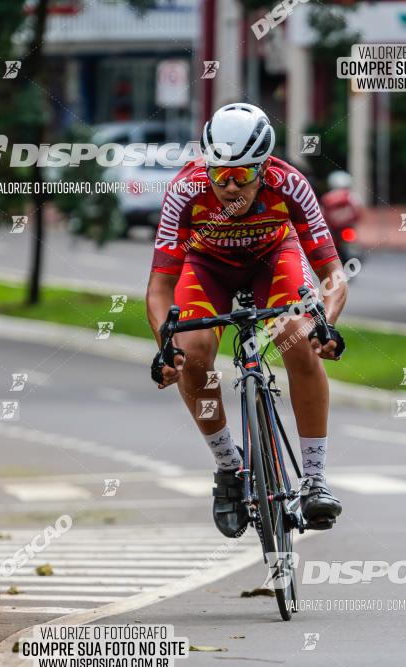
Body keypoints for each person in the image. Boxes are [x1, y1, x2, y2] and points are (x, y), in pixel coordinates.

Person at [146, 102, 347, 538]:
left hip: (274, 261)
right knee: (193, 354)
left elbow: (333, 275)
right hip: (207, 267)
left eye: (242, 175)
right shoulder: (185, 190)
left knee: (298, 337)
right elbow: (160, 288)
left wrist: (326, 325)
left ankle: (314, 479)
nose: (230, 186)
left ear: (264, 167)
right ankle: (229, 468)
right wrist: (165, 348)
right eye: (220, 174)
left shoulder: (290, 183)